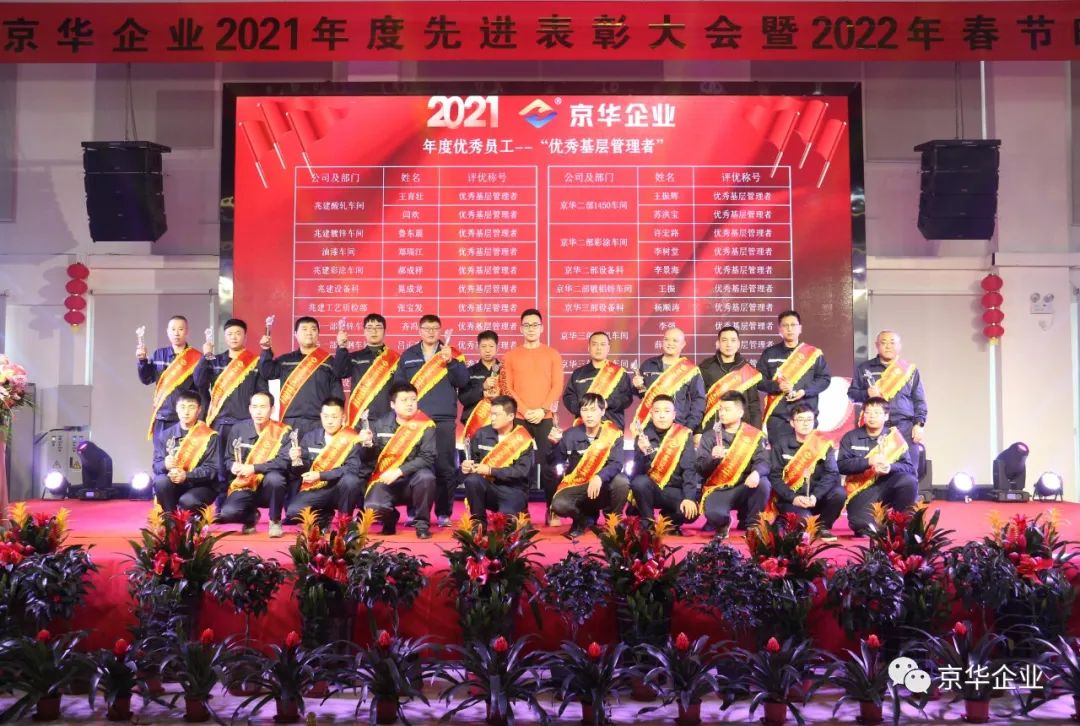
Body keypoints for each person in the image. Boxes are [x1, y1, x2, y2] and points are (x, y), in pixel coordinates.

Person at [393, 314, 469, 527]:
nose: (431, 332)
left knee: (445, 467)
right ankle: (414, 512)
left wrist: (451, 362)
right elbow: (399, 385)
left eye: (435, 328)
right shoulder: (408, 355)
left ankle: (444, 513)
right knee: (414, 466)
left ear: (440, 330)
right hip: (415, 420)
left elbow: (463, 381)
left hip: (443, 418)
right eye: (426, 328)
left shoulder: (452, 353)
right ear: (419, 330)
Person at [502, 309, 564, 526]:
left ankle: (552, 509)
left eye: (535, 324)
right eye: (526, 325)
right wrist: (525, 409)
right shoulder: (510, 356)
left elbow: (557, 385)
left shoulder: (552, 354)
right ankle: (521, 512)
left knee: (549, 466)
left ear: (542, 328)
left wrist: (542, 409)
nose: (531, 329)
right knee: (520, 466)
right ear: (521, 328)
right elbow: (507, 387)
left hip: (544, 417)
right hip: (519, 417)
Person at [195, 318, 268, 498]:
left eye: (238, 333)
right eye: (230, 334)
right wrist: (205, 356)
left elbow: (262, 392)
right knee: (221, 467)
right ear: (224, 337)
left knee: (244, 465)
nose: (234, 337)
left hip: (245, 423)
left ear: (245, 336)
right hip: (220, 422)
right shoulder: (215, 360)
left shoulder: (254, 362)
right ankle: (222, 505)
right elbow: (199, 381)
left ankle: (244, 506)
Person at [360, 382, 437, 539]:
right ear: (392, 404)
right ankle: (390, 518)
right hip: (385, 479)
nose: (410, 404)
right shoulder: (379, 425)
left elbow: (428, 457)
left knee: (427, 477)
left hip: (413, 480)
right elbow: (368, 460)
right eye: (404, 400)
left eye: (413, 399)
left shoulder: (426, 425)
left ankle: (422, 525)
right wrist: (367, 446)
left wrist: (400, 471)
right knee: (372, 508)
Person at [848, 330, 928, 476]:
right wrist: (867, 394)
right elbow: (852, 395)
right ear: (877, 345)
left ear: (899, 346)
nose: (888, 346)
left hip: (905, 427)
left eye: (892, 343)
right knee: (874, 473)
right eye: (884, 343)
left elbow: (919, 400)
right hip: (874, 428)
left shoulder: (909, 370)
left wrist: (919, 424)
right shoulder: (865, 368)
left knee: (908, 473)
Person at [549, 393, 628, 537]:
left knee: (621, 481)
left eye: (593, 410)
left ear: (602, 411)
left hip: (603, 486)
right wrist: (554, 445)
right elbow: (555, 462)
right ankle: (582, 519)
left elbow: (616, 464)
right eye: (585, 410)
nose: (589, 415)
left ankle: (613, 522)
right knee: (558, 505)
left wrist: (599, 477)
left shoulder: (613, 434)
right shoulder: (569, 435)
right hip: (578, 486)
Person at [838, 397, 919, 537]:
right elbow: (841, 466)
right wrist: (868, 462)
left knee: (909, 481)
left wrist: (890, 467)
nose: (872, 416)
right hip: (862, 489)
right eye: (868, 412)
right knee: (863, 526)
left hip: (888, 484)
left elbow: (909, 468)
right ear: (863, 415)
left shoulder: (894, 438)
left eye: (877, 413)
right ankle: (880, 522)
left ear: (886, 416)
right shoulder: (850, 437)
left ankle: (900, 523)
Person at [697, 391, 771, 539]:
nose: (722, 413)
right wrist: (712, 458)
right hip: (719, 488)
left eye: (727, 409)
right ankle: (724, 524)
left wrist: (756, 473)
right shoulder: (709, 436)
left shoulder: (754, 435)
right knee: (713, 514)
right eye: (720, 409)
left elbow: (764, 461)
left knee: (763, 483)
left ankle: (753, 525)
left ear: (740, 413)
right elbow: (700, 468)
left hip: (745, 485)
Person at [217, 391, 291, 537]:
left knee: (276, 479)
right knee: (227, 513)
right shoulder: (238, 429)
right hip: (245, 484)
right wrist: (233, 466)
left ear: (272, 409)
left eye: (263, 407)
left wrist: (253, 468)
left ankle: (275, 520)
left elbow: (283, 462)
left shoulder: (283, 431)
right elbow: (228, 459)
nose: (258, 412)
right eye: (255, 407)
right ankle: (250, 517)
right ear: (249, 409)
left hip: (269, 487)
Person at [769, 404, 844, 541]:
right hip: (792, 499)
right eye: (800, 419)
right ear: (792, 423)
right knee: (804, 525)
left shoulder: (823, 444)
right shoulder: (781, 444)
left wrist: (816, 495)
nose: (805, 423)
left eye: (809, 419)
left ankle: (822, 527)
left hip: (816, 498)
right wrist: (793, 498)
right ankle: (783, 520)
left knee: (839, 493)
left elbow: (832, 473)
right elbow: (775, 477)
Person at [260, 317, 343, 437]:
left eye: (313, 329)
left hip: (319, 422)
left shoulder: (328, 362)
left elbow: (337, 394)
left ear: (318, 334)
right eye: (304, 329)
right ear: (295, 334)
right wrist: (266, 350)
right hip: (290, 421)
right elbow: (266, 373)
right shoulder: (286, 360)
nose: (309, 333)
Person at [286, 397, 363, 525]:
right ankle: (324, 516)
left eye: (334, 417)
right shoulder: (310, 437)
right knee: (293, 513)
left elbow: (352, 468)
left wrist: (321, 475)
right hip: (316, 488)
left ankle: (345, 522)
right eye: (326, 416)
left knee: (351, 481)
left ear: (343, 417)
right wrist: (295, 460)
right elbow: (299, 471)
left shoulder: (352, 438)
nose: (329, 421)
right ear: (321, 416)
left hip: (340, 488)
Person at [628, 395, 700, 531]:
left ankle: (666, 520)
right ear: (651, 414)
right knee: (639, 483)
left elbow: (689, 469)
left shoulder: (683, 434)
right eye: (657, 411)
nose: (662, 416)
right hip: (651, 489)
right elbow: (636, 472)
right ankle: (648, 523)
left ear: (674, 415)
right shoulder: (642, 436)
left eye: (666, 411)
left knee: (691, 512)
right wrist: (644, 453)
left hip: (674, 489)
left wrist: (689, 498)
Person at [756, 310, 831, 441]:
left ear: (800, 328)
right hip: (779, 419)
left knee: (805, 454)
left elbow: (824, 379)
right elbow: (758, 381)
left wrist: (804, 391)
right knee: (778, 454)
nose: (789, 329)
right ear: (779, 329)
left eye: (793, 325)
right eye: (785, 325)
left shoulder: (813, 354)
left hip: (806, 417)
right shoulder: (769, 353)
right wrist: (777, 386)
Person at [461, 395, 536, 521]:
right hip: (489, 487)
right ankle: (478, 523)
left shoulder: (523, 439)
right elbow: (474, 463)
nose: (492, 418)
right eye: (492, 414)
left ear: (511, 416)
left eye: (497, 415)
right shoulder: (481, 433)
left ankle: (520, 513)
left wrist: (491, 470)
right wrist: (467, 467)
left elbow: (522, 472)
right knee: (472, 480)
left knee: (507, 527)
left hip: (513, 491)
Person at [138, 315, 202, 441]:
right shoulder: (159, 354)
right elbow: (146, 379)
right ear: (167, 332)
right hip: (162, 416)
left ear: (187, 332)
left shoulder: (196, 357)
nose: (176, 333)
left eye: (180, 329)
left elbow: (201, 386)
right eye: (173, 329)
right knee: (161, 452)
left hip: (185, 417)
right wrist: (142, 361)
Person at [152, 391, 219, 512]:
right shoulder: (165, 435)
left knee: (188, 501)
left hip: (200, 485)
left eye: (191, 407)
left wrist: (186, 476)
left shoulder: (209, 436)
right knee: (161, 482)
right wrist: (165, 465)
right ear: (176, 408)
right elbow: (156, 465)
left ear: (199, 410)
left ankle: (196, 517)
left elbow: (212, 469)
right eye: (182, 407)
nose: (186, 412)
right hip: (174, 484)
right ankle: (170, 518)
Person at [631, 327, 706, 433]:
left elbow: (698, 400)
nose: (670, 343)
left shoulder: (690, 370)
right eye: (666, 339)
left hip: (678, 427)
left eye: (675, 340)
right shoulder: (649, 365)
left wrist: (690, 427)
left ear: (683, 344)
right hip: (649, 426)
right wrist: (637, 386)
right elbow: (642, 394)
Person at [335, 313, 399, 428]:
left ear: (384, 331)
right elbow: (339, 372)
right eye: (369, 328)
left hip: (387, 417)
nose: (374, 331)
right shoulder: (355, 357)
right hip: (360, 417)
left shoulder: (395, 358)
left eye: (378, 327)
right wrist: (342, 348)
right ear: (364, 331)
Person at [563, 331, 634, 430]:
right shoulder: (578, 373)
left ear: (608, 348)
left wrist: (607, 403)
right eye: (595, 344)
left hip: (612, 428)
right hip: (583, 428)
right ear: (589, 348)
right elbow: (568, 396)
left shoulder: (620, 373)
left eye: (602, 344)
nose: (598, 348)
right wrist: (583, 409)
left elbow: (627, 398)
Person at [699, 326, 762, 434]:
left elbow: (754, 404)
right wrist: (698, 431)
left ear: (738, 344)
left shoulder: (746, 368)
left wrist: (756, 432)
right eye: (724, 340)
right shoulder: (706, 367)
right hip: (712, 429)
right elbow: (699, 402)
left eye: (733, 340)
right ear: (718, 343)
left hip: (742, 430)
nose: (729, 344)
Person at [458, 330, 502, 454]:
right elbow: (463, 398)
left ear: (497, 348)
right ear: (478, 348)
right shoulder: (469, 372)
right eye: (483, 346)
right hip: (475, 424)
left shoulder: (505, 370)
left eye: (491, 346)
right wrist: (482, 389)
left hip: (500, 424)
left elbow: (512, 396)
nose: (487, 350)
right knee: (474, 460)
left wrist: (499, 396)